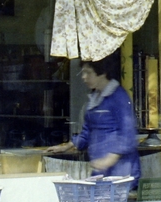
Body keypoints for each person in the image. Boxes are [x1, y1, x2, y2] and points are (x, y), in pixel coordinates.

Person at [42, 53, 140, 184]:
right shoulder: (95, 98)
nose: (84, 77)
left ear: (102, 73)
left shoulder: (118, 97)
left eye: (88, 73)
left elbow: (127, 134)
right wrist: (67, 146)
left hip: (120, 172)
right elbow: (87, 131)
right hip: (101, 171)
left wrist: (108, 160)